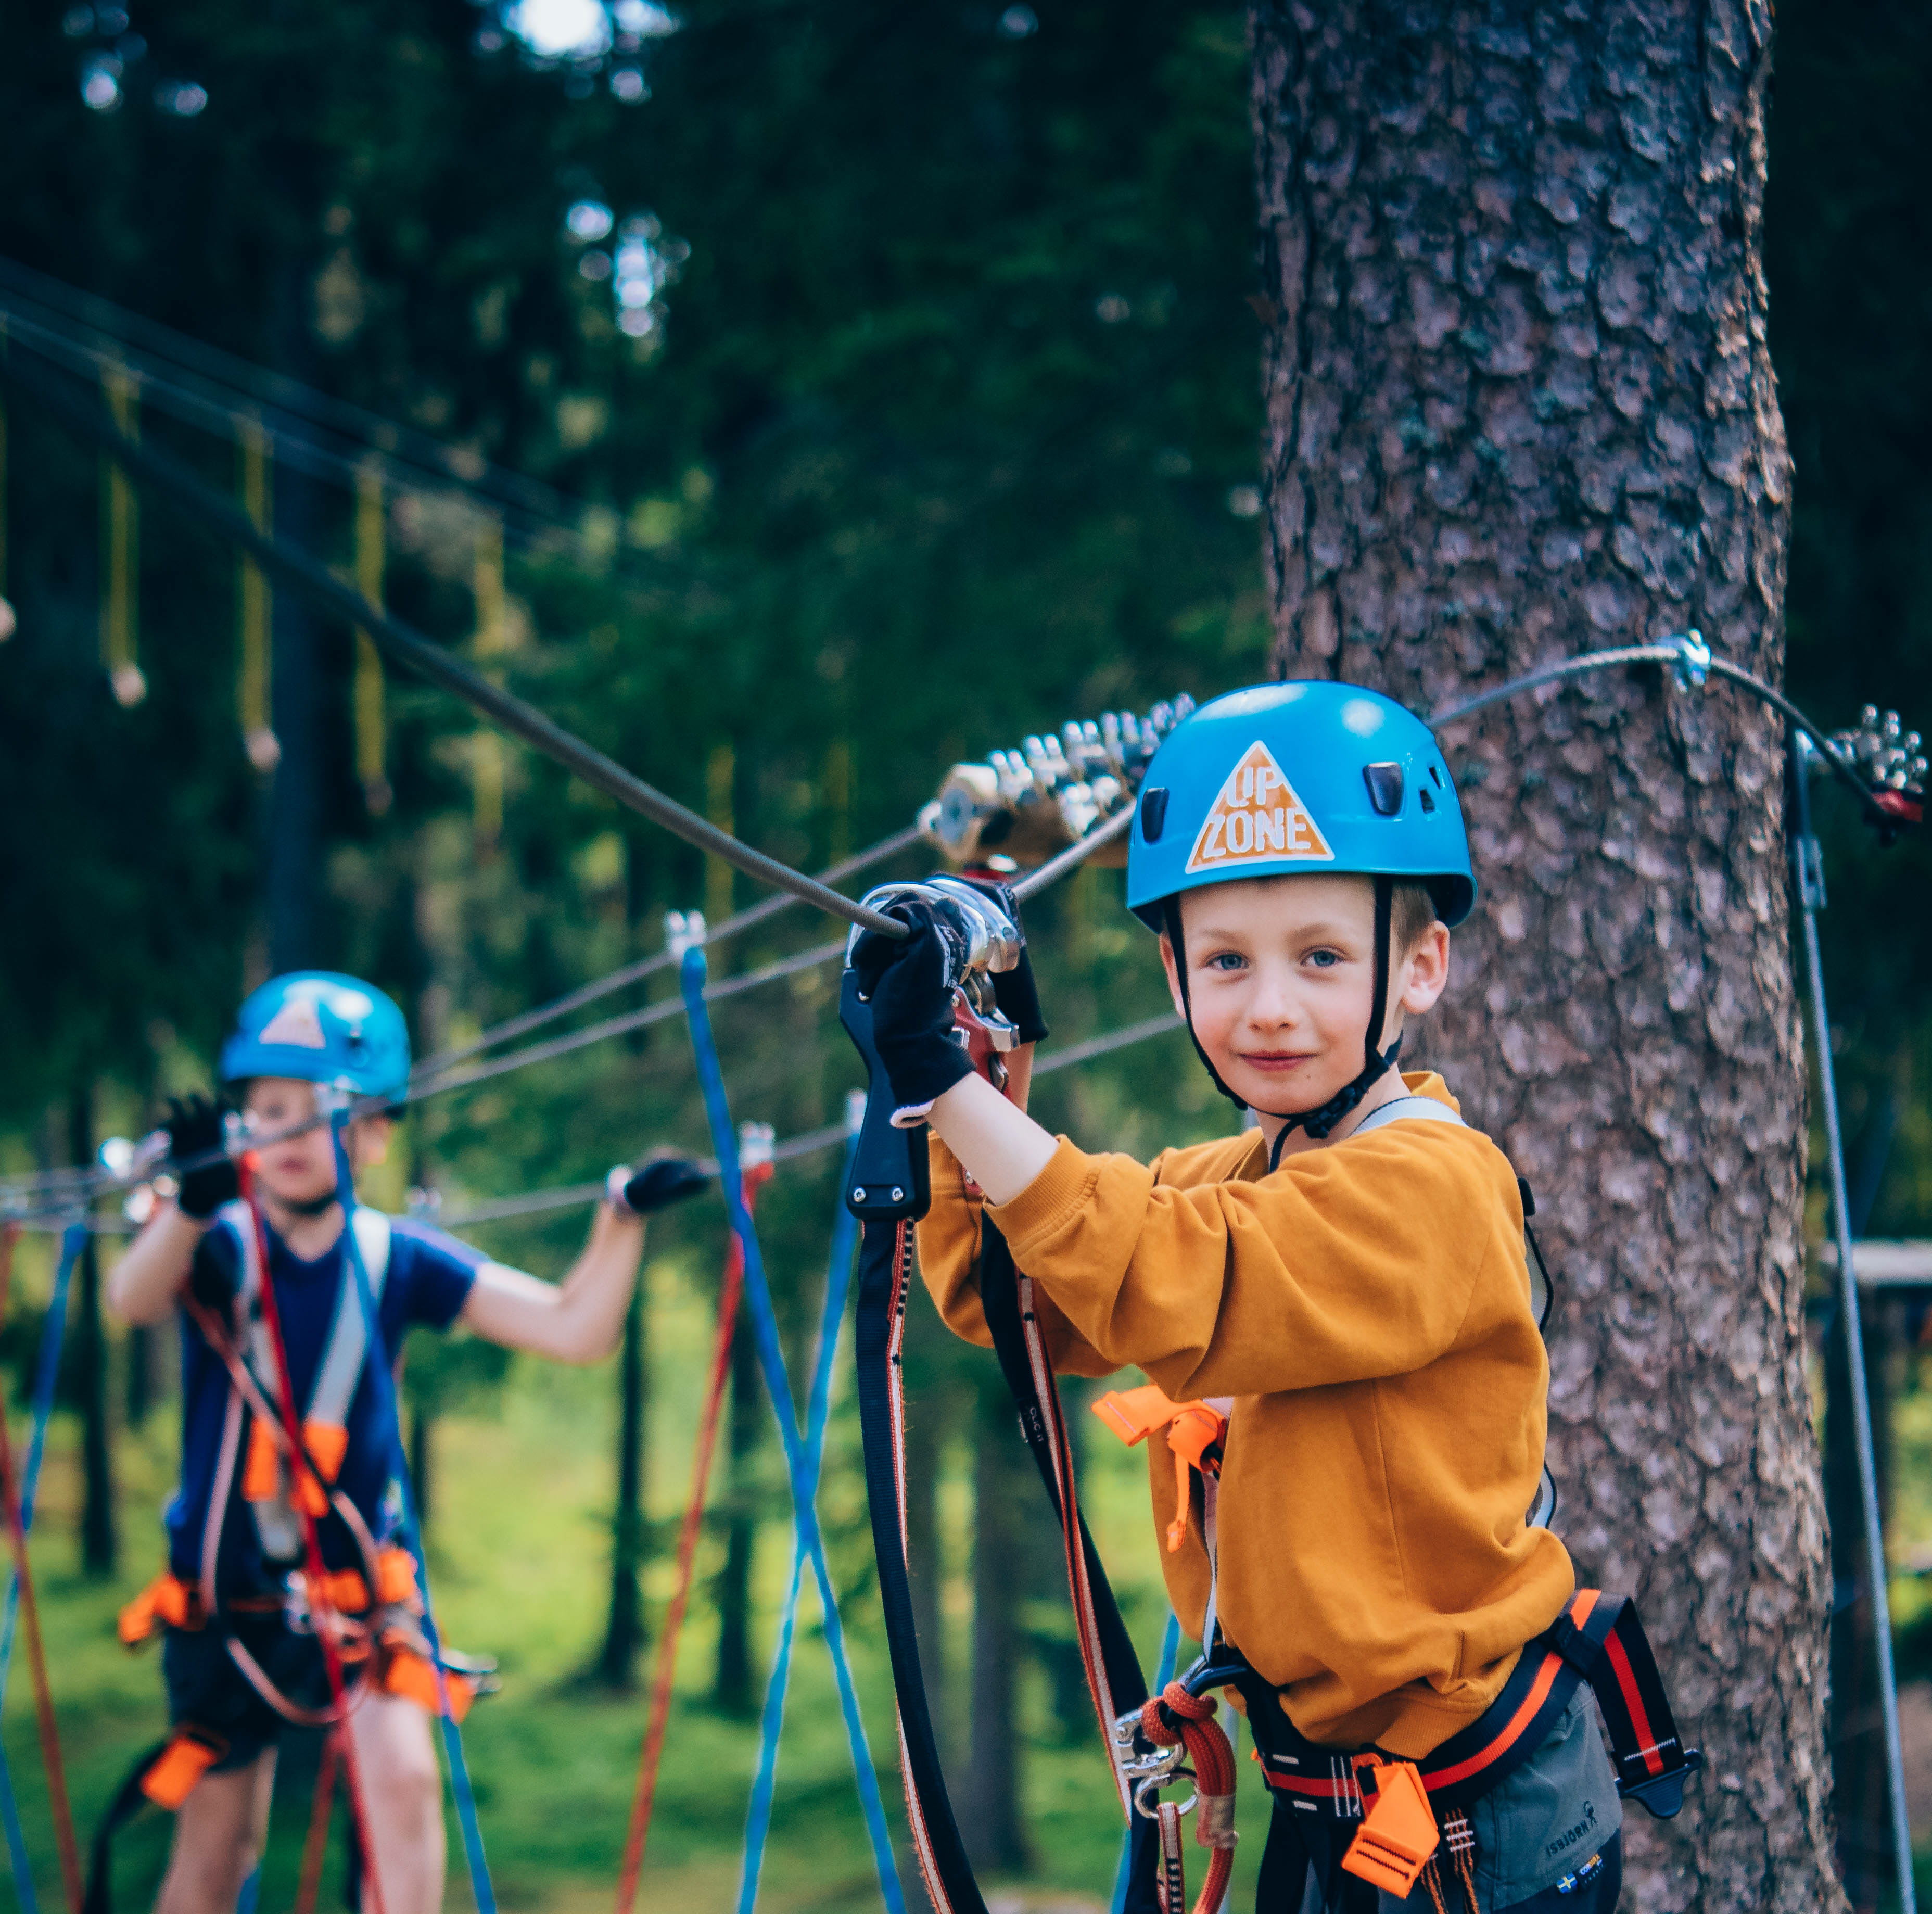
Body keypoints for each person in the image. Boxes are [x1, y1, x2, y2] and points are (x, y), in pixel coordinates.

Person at [852, 683, 1631, 1913]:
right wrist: (973, 1066)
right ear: (1173, 977)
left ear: (1420, 965)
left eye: (1320, 958)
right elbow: (1024, 1297)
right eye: (1224, 961)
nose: (1269, 1004)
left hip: (1467, 1831)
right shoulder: (1246, 1171)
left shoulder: (1430, 1182)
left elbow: (1176, 1271)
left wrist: (952, 1091)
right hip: (1331, 1803)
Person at [106, 971, 708, 1914]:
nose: (287, 1134)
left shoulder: (396, 1259)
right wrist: (188, 1202)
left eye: (318, 1112)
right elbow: (131, 1299)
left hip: (362, 1604)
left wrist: (621, 1216)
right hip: (225, 1606)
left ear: (375, 1131)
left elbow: (572, 1328)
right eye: (266, 1111)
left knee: (406, 1785)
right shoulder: (214, 1242)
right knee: (217, 1847)